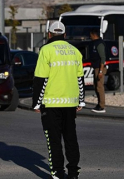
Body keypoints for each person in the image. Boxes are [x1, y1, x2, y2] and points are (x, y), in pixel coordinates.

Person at [32, 21, 85, 179]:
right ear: (64, 34)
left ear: (49, 34)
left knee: (53, 140)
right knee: (71, 138)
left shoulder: (46, 50)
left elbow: (40, 79)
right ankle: (74, 172)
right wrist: (80, 101)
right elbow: (79, 79)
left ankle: (57, 172)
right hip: (70, 103)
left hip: (51, 103)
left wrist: (36, 103)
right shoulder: (75, 51)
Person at [89, 28, 106, 113]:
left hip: (99, 68)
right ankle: (99, 104)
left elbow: (103, 58)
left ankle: (102, 106)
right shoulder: (93, 43)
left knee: (100, 87)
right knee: (95, 86)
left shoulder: (99, 44)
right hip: (95, 67)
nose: (90, 37)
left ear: (94, 35)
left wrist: (100, 71)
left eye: (90, 35)